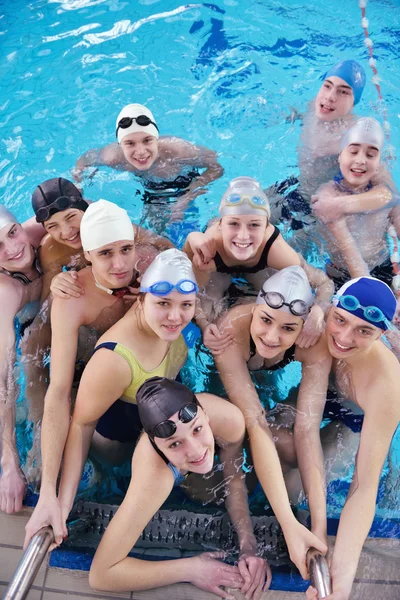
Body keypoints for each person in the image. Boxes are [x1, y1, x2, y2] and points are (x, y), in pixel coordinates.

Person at [23, 200, 163, 544]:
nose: (119, 264)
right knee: (108, 452)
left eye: (125, 249)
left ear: (135, 244)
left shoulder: (152, 271)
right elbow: (57, 390)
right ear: (86, 254)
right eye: (105, 254)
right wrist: (48, 498)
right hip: (91, 371)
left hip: (145, 373)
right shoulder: (72, 296)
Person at [87, 377, 270, 599]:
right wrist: (191, 569)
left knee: (227, 489)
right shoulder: (154, 476)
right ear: (158, 447)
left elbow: (234, 481)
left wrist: (248, 546)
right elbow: (102, 575)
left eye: (197, 430)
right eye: (174, 443)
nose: (196, 451)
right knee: (111, 456)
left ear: (205, 415)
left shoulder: (229, 420)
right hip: (116, 426)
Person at [207, 266, 327, 579]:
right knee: (217, 466)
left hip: (266, 379)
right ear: (256, 311)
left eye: (289, 329)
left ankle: (284, 498)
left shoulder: (314, 340)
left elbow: (307, 429)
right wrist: (250, 545)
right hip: (224, 379)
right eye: (266, 320)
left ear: (303, 327)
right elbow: (253, 423)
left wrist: (320, 531)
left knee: (288, 447)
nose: (273, 336)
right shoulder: (232, 327)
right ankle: (247, 532)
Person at [290, 276, 400, 600]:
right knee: (280, 445)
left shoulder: (387, 387)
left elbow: (365, 485)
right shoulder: (319, 329)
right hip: (318, 397)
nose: (343, 337)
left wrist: (343, 572)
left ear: (382, 334)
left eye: (363, 331)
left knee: (296, 489)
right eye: (340, 320)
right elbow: (304, 428)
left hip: (353, 420)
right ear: (333, 308)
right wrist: (319, 528)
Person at [183, 176, 334, 350]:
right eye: (233, 223)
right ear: (220, 224)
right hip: (217, 268)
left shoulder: (277, 251)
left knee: (286, 305)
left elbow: (324, 282)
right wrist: (204, 325)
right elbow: (188, 291)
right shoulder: (208, 247)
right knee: (211, 316)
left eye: (254, 225)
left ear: (266, 228)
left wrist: (317, 312)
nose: (243, 236)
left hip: (260, 267)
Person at [268, 60, 391, 229]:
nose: (330, 97)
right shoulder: (316, 107)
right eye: (327, 86)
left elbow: (388, 193)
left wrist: (341, 204)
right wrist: (287, 116)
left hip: (315, 207)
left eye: (343, 92)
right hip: (297, 182)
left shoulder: (356, 135)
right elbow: (301, 115)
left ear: (354, 101)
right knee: (241, 208)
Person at [74, 103, 224, 224]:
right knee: (156, 227)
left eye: (147, 140)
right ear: (120, 145)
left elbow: (216, 166)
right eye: (130, 143)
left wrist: (187, 196)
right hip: (151, 188)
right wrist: (79, 182)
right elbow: (84, 160)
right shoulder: (112, 157)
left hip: (186, 180)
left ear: (156, 140)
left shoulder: (179, 151)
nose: (140, 152)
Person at [310, 117, 399, 289]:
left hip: (384, 266)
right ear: (339, 156)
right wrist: (370, 291)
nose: (361, 160)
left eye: (371, 155)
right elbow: (349, 251)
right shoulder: (327, 196)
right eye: (353, 152)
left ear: (379, 162)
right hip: (342, 273)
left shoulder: (385, 190)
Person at [0, 206, 44, 513]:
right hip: (26, 328)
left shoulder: (39, 232)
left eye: (12, 233)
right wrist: (9, 463)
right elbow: (4, 378)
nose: (13, 248)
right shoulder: (6, 293)